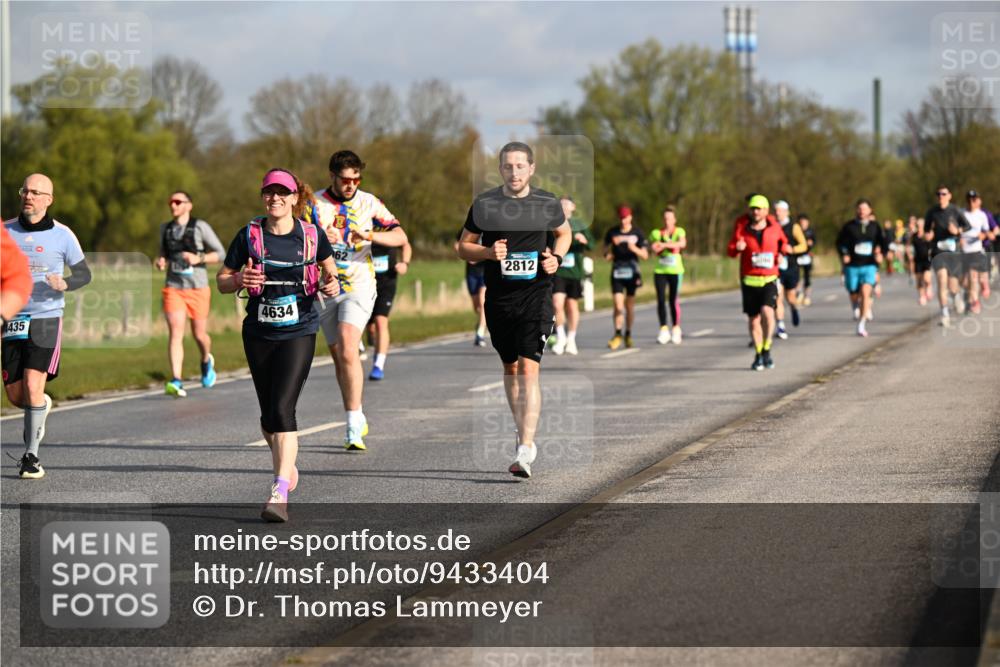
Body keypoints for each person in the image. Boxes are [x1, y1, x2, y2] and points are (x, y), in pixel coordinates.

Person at [217, 168, 339, 522]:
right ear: (263, 196)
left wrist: (332, 283)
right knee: (269, 416)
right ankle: (287, 464)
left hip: (299, 329)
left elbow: (331, 272)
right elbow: (222, 281)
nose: (275, 198)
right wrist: (239, 278)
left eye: (282, 193)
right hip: (258, 332)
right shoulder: (249, 235)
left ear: (294, 197)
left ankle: (279, 492)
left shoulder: (311, 235)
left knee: (284, 409)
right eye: (269, 192)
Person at [456, 141, 571, 478]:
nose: (514, 172)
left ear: (531, 168)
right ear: (500, 169)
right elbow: (462, 247)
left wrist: (556, 258)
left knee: (529, 368)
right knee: (510, 367)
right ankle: (522, 431)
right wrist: (487, 253)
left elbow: (563, 234)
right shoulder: (486, 204)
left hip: (536, 296)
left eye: (520, 166)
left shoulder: (546, 202)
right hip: (500, 300)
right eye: (508, 166)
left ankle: (525, 447)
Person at [311, 150, 408, 451]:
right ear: (332, 176)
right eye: (345, 180)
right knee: (341, 356)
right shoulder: (314, 203)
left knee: (347, 343)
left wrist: (369, 236)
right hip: (325, 289)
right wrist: (319, 237)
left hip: (359, 285)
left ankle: (353, 426)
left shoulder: (370, 202)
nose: (351, 185)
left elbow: (400, 237)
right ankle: (355, 412)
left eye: (356, 179)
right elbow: (295, 238)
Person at [3, 174, 92, 479]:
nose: (28, 196)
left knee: (32, 383)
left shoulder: (63, 235)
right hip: (11, 318)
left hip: (47, 317)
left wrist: (65, 283)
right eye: (25, 191)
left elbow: (84, 274)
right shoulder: (5, 232)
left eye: (35, 192)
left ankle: (31, 457)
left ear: (48, 200)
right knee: (16, 396)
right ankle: (40, 404)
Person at [156, 191, 226, 398]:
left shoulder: (200, 227)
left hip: (198, 287)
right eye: (171, 202)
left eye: (178, 202)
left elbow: (221, 253)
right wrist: (160, 261)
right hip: (174, 287)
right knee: (176, 333)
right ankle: (176, 379)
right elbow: (162, 254)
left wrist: (199, 258)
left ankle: (206, 360)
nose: (173, 205)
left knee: (199, 335)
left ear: (189, 205)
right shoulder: (165, 229)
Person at [727, 194, 789, 370]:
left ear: (766, 210)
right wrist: (736, 248)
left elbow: (784, 243)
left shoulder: (774, 226)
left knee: (768, 313)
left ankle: (767, 347)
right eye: (753, 208)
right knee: (754, 320)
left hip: (770, 278)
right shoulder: (742, 228)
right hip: (749, 280)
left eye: (759, 209)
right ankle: (759, 353)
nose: (755, 212)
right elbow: (730, 250)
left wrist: (782, 253)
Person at [836, 199, 887, 337]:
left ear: (870, 210)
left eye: (864, 209)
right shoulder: (849, 226)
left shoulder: (875, 226)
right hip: (852, 265)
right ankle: (855, 306)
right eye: (859, 208)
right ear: (856, 210)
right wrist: (844, 254)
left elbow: (883, 243)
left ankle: (861, 324)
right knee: (853, 292)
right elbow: (839, 243)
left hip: (869, 264)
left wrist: (881, 254)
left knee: (865, 292)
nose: (862, 211)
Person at [550, 195, 593, 355]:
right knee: (557, 303)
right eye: (561, 204)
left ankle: (571, 339)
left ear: (573, 207)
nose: (564, 206)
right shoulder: (553, 224)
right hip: (558, 270)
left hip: (574, 272)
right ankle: (561, 337)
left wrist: (584, 240)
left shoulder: (580, 225)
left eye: (567, 204)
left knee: (572, 305)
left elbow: (592, 244)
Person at [924, 185, 971, 327]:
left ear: (949, 196)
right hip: (938, 250)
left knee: (952, 285)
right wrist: (928, 234)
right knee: (941, 280)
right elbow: (926, 230)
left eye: (944, 194)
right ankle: (944, 314)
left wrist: (957, 230)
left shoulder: (955, 210)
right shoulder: (932, 212)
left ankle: (956, 296)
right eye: (938, 194)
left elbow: (967, 226)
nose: (941, 196)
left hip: (953, 250)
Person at [366, 236, 412, 380]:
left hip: (387, 282)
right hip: (365, 282)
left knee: (381, 321)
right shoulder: (360, 226)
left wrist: (405, 263)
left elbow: (405, 244)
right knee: (369, 326)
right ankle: (371, 338)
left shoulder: (390, 227)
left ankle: (378, 365)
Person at [604, 205, 648, 349]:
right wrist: (610, 254)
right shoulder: (612, 232)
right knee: (618, 305)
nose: (624, 221)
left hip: (632, 272)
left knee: (629, 306)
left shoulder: (638, 233)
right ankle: (617, 334)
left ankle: (628, 334)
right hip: (617, 272)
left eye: (626, 217)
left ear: (631, 217)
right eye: (621, 218)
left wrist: (634, 248)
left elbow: (645, 255)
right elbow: (605, 253)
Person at [649, 205, 686, 344]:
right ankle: (663, 329)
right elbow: (653, 246)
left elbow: (681, 244)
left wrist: (664, 245)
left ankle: (676, 328)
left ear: (674, 220)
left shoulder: (679, 231)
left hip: (675, 271)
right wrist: (655, 246)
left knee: (673, 300)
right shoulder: (656, 233)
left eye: (669, 218)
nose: (667, 221)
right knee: (660, 300)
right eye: (665, 218)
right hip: (660, 270)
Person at [773, 200, 808, 338]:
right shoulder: (771, 226)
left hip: (791, 266)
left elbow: (803, 245)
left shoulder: (794, 227)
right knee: (777, 297)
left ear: (787, 212)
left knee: (790, 297)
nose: (778, 213)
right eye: (776, 210)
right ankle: (780, 325)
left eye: (780, 211)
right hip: (775, 267)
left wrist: (792, 249)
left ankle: (793, 308)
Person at [959, 190, 994, 315]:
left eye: (973, 200)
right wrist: (958, 238)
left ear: (977, 201)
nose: (971, 202)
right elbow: (956, 230)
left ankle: (975, 302)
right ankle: (972, 295)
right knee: (964, 282)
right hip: (963, 251)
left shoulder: (982, 215)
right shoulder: (961, 213)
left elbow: (987, 231)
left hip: (976, 250)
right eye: (969, 199)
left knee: (973, 277)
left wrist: (983, 236)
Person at [456, 230, 488, 347]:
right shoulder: (468, 228)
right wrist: (467, 253)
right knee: (477, 307)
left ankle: (480, 333)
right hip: (472, 273)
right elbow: (458, 245)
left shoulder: (490, 228)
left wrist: (481, 255)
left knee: (482, 300)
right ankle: (482, 321)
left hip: (485, 271)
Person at [1, 225, 32, 321]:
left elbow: (17, 274)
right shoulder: (8, 226)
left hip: (45, 313)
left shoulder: (63, 233)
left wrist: (2, 316)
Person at [911, 217, 934, 305]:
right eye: (918, 225)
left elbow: (933, 243)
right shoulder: (914, 235)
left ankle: (929, 286)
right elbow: (909, 245)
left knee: (926, 278)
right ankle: (922, 296)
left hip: (927, 259)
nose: (919, 227)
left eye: (921, 225)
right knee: (919, 281)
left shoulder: (927, 234)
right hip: (917, 260)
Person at [797, 214, 816, 306]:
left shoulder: (810, 232)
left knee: (807, 277)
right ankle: (798, 293)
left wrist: (811, 244)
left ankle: (807, 296)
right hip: (797, 257)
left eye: (804, 222)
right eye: (801, 222)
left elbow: (815, 242)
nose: (803, 224)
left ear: (807, 222)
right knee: (796, 276)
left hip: (807, 257)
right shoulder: (796, 231)